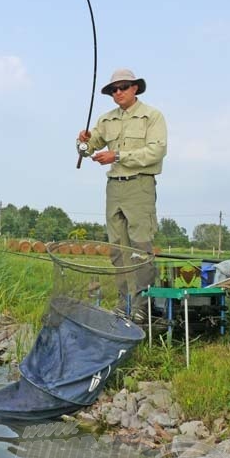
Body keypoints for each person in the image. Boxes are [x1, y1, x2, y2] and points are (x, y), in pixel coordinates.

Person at [77, 69, 167, 320]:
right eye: (113, 90)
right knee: (117, 249)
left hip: (140, 186)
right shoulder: (106, 120)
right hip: (114, 188)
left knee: (140, 248)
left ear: (135, 88)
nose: (118, 92)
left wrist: (116, 156)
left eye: (124, 87)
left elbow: (156, 152)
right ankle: (122, 303)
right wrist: (82, 142)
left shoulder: (152, 116)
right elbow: (87, 149)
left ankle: (143, 307)